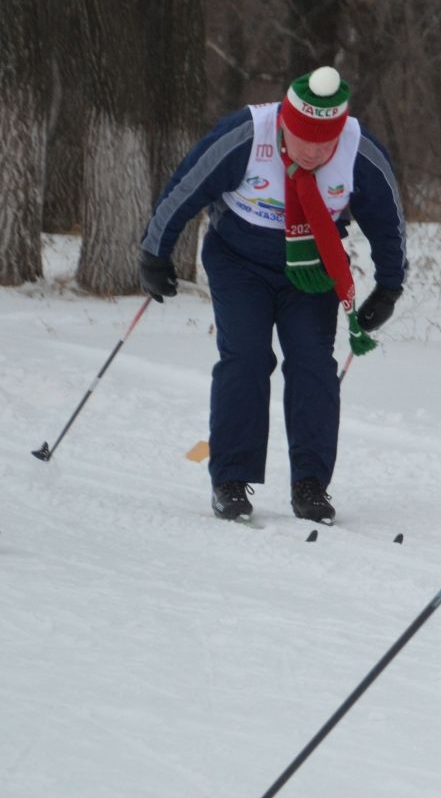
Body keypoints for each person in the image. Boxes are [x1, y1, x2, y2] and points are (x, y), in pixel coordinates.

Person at [138, 66, 407, 524]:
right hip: (239, 261)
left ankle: (311, 484)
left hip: (311, 271)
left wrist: (389, 286)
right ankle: (231, 479)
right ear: (286, 124)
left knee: (312, 365)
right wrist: (155, 253)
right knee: (245, 357)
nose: (317, 153)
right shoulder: (247, 134)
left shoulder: (358, 150)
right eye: (306, 142)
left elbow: (388, 222)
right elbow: (187, 186)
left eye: (327, 144)